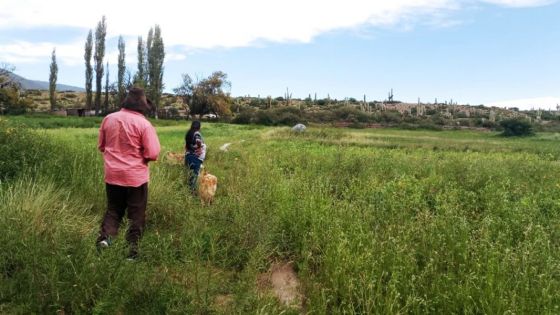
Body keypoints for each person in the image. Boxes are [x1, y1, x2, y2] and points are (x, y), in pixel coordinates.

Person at [96, 87, 161, 260]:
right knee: (136, 214)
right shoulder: (144, 125)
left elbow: (101, 146)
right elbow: (153, 153)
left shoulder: (108, 119)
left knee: (113, 210)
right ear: (142, 107)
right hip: (135, 178)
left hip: (112, 175)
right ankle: (131, 252)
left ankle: (105, 239)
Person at [184, 120, 206, 192]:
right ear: (199, 127)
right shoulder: (196, 133)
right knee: (194, 176)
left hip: (188, 157)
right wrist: (199, 147)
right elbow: (198, 141)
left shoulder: (189, 133)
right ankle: (192, 193)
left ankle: (188, 191)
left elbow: (186, 146)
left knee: (190, 175)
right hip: (195, 158)